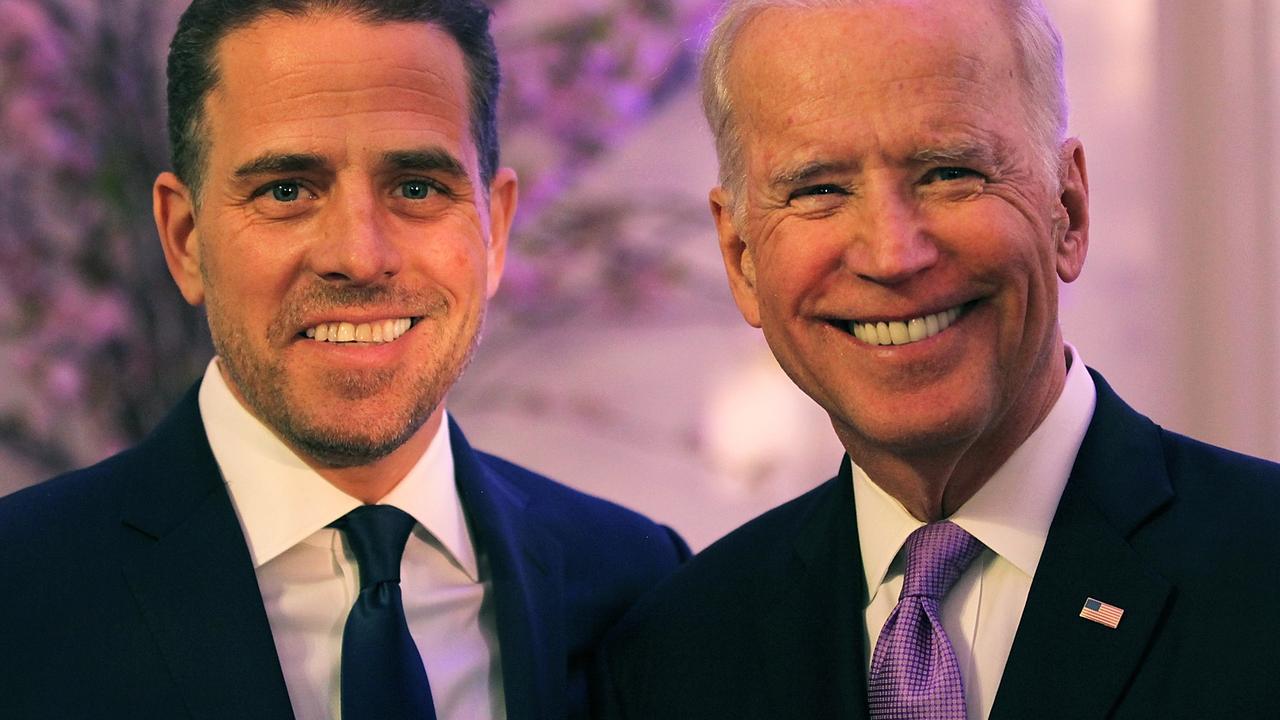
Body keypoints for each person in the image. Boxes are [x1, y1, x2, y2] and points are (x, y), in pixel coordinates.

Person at [0, 1, 688, 718]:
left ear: (495, 230)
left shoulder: (638, 586)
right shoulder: (18, 594)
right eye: (286, 190)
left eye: (417, 187)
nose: (359, 257)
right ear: (184, 239)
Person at [594, 0, 1280, 718]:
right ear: (742, 260)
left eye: (950, 172)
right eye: (819, 189)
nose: (893, 255)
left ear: (1067, 211)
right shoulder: (675, 653)